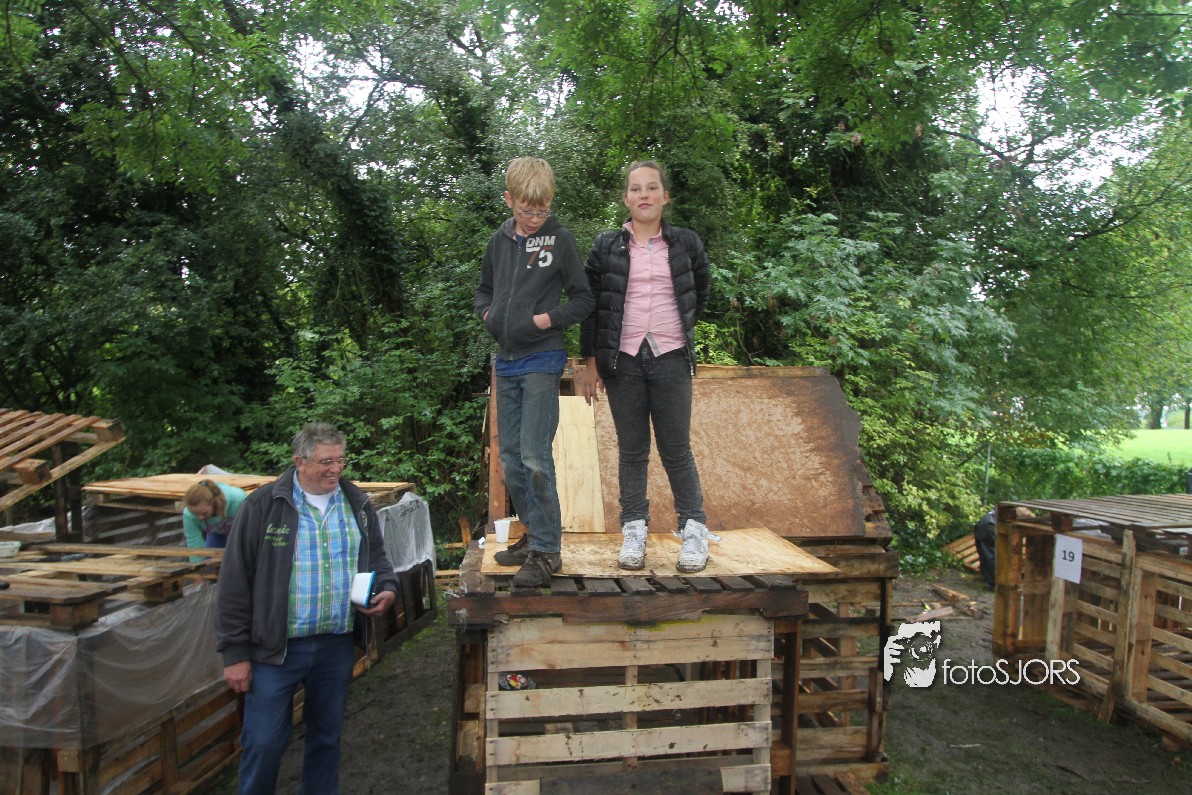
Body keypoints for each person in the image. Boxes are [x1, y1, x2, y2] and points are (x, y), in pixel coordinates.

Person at [214, 422, 398, 794]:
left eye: (340, 460)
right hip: (275, 650)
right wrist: (234, 653)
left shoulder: (357, 504)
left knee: (326, 738)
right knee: (264, 742)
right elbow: (234, 581)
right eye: (325, 462)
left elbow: (378, 557)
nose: (336, 469)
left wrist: (388, 588)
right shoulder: (264, 506)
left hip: (335, 645)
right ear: (299, 461)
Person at [577, 159, 712, 573]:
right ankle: (634, 530)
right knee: (632, 451)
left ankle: (694, 531)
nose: (644, 195)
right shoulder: (606, 246)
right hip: (623, 360)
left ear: (664, 196)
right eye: (636, 189)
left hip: (671, 357)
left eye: (652, 187)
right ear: (626, 198)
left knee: (676, 450)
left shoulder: (686, 243)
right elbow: (591, 307)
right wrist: (591, 361)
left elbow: (700, 293)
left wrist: (678, 329)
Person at [474, 157, 594, 588]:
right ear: (509, 200)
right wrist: (488, 315)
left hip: (543, 358)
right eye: (527, 211)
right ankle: (533, 536)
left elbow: (583, 300)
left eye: (542, 211)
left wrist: (545, 320)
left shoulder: (559, 240)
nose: (535, 218)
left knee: (534, 458)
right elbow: (483, 291)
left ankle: (547, 551)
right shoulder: (498, 242)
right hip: (506, 362)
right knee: (510, 459)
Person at [182, 479, 247, 550]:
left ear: (215, 503)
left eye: (204, 513)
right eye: (194, 513)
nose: (200, 517)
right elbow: (195, 546)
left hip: (241, 536)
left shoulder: (239, 500)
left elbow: (250, 531)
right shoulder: (189, 514)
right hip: (216, 536)